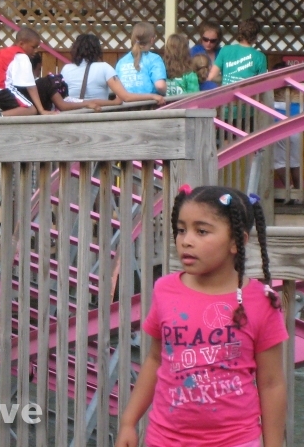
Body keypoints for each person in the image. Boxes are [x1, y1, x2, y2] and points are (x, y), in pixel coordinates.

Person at [114, 185, 287, 447]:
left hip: (235, 441)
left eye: (201, 231)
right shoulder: (165, 289)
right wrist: (129, 422)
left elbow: (272, 383)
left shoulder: (262, 302)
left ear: (236, 242)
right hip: (164, 439)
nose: (186, 240)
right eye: (182, 229)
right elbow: (154, 359)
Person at [61, 33, 165, 107]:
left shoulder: (66, 69)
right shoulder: (104, 68)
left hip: (72, 115)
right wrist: (153, 96)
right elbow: (126, 97)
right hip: (96, 116)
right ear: (97, 49)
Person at [26, 53, 105, 112]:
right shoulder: (45, 82)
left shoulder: (16, 87)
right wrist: (86, 104)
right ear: (39, 66)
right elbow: (63, 105)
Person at [208, 18, 268, 86]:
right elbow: (262, 85)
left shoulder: (225, 50)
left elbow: (211, 76)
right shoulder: (260, 57)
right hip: (246, 95)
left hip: (227, 94)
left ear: (240, 33)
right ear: (256, 36)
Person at [114, 22, 167, 96]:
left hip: (125, 105)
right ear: (152, 40)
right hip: (149, 105)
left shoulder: (121, 62)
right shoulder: (154, 59)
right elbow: (160, 86)